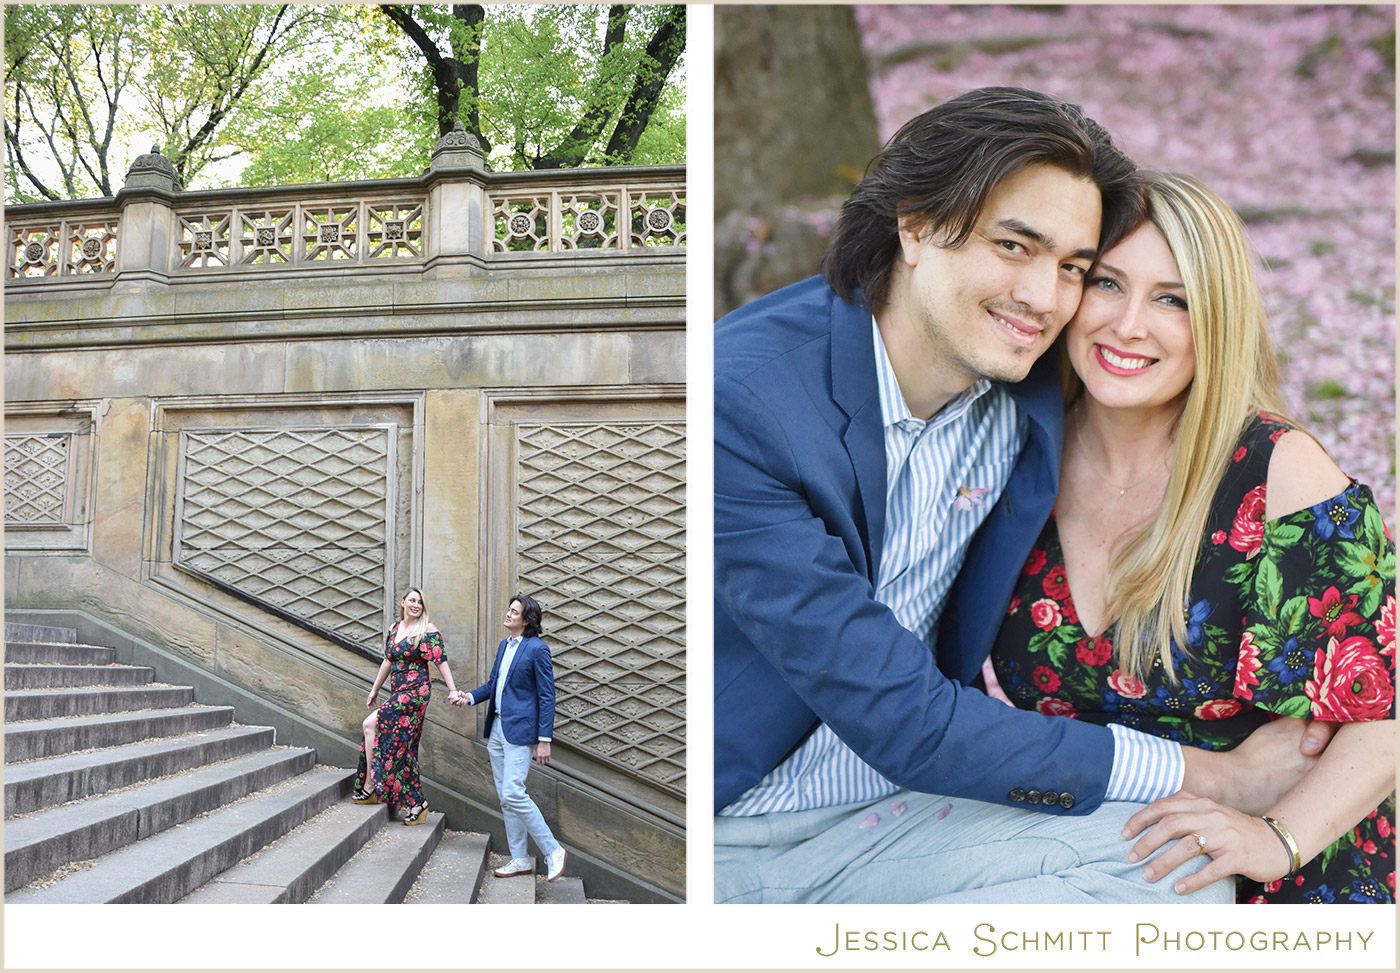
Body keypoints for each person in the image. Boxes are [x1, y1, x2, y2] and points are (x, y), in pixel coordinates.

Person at [713, 86, 1335, 904]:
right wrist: (1218, 775)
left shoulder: (1033, 374)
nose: (1046, 300)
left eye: (1075, 268)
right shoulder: (743, 407)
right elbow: (906, 717)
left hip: (904, 813)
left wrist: (1278, 475)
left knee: (1176, 872)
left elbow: (1165, 362)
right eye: (1014, 245)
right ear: (916, 225)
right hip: (740, 831)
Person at [990, 171, 1395, 904]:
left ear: (1217, 319)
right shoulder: (1012, 456)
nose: (1127, 325)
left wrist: (1276, 839)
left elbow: (1386, 718)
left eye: (1172, 299)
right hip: (1077, 864)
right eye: (1108, 284)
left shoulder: (1276, 473)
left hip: (1285, 874)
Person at [459, 593, 568, 882]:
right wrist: (469, 697)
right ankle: (519, 858)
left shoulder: (537, 649)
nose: (508, 614)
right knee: (506, 799)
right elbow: (495, 684)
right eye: (509, 609)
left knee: (512, 792)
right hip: (497, 730)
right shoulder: (504, 646)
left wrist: (544, 739)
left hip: (521, 732)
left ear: (526, 620)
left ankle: (553, 849)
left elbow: (547, 696)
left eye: (514, 611)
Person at [353, 587, 466, 825]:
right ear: (403, 602)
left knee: (370, 723)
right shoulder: (395, 629)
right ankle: (416, 802)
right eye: (412, 600)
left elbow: (441, 662)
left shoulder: (427, 629)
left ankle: (371, 785)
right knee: (399, 744)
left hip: (415, 694)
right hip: (398, 692)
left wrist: (453, 689)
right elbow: (387, 660)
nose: (416, 605)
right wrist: (374, 690)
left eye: (420, 602)